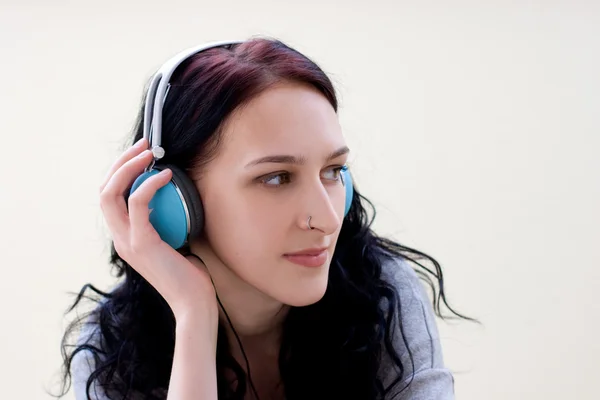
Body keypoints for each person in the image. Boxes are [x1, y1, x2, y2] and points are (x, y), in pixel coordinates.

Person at [54, 36, 478, 400]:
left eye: (333, 172)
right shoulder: (110, 351)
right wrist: (194, 315)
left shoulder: (383, 296)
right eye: (277, 178)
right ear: (174, 202)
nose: (328, 219)